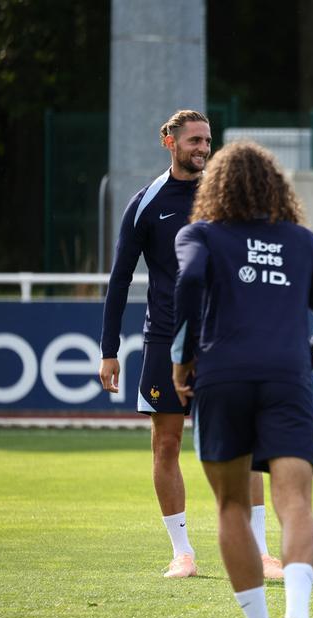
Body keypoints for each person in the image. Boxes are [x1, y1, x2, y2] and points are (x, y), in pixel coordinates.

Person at [172, 141, 313, 618]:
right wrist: (300, 362)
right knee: (296, 504)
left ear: (216, 185)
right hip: (287, 380)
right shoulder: (302, 240)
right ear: (276, 187)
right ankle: (299, 617)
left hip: (221, 377)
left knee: (229, 507)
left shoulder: (198, 233)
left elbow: (189, 281)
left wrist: (183, 357)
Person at [98, 110, 283, 580]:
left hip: (228, 338)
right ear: (170, 142)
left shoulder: (227, 199)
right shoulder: (146, 203)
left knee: (243, 441)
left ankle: (261, 553)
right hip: (165, 338)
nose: (204, 148)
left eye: (208, 140)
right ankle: (182, 553)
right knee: (166, 443)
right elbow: (120, 279)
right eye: (196, 140)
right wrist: (108, 349)